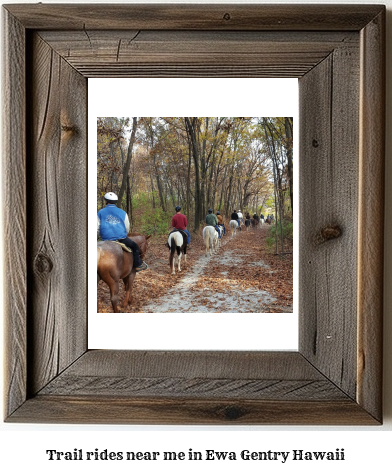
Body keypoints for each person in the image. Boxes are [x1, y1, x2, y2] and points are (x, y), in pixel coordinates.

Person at [97, 192, 148, 271]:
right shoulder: (123, 213)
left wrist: (100, 236)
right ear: (116, 202)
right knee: (135, 246)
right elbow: (127, 227)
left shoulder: (100, 213)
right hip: (121, 238)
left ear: (106, 201)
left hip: (106, 239)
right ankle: (137, 265)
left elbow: (96, 228)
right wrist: (123, 233)